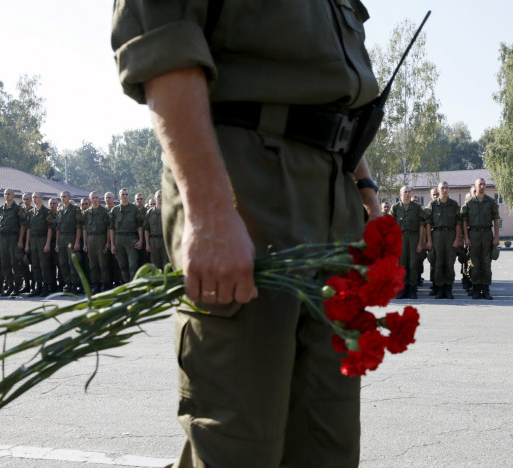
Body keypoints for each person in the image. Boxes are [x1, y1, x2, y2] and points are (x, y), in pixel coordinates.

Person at [112, 1, 382, 465]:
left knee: (327, 442)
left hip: (333, 191)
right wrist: (209, 211)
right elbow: (163, 44)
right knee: (239, 445)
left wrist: (363, 184)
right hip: (244, 185)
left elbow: (333, 94)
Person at [462, 178, 500, 300]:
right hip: (473, 234)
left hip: (487, 234)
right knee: (474, 263)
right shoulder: (469, 203)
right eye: (480, 184)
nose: (482, 186)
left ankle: (486, 289)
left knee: (486, 263)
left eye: (484, 184)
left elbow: (496, 220)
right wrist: (466, 237)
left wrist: (497, 237)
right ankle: (476, 289)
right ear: (475, 186)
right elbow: (464, 221)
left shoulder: (490, 202)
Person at [425, 182, 462, 299]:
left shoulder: (454, 204)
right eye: (442, 188)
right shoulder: (432, 204)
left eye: (446, 188)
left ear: (449, 189)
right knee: (438, 263)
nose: (444, 190)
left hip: (451, 235)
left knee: (450, 263)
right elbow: (428, 224)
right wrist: (429, 241)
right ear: (439, 190)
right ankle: (440, 289)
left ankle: (448, 289)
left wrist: (457, 239)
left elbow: (458, 223)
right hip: (437, 235)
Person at [389, 187, 425, 299]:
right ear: (400, 194)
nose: (407, 194)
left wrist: (420, 243)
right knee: (401, 264)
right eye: (405, 192)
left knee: (413, 264)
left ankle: (412, 289)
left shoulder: (417, 207)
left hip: (414, 236)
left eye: (409, 192)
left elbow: (422, 226)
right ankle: (402, 289)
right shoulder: (395, 208)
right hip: (400, 237)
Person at [0, 189, 28, 297]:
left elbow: (23, 225)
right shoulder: (1, 209)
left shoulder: (18, 208)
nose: (7, 195)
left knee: (15, 263)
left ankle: (17, 286)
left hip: (14, 238)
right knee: (5, 264)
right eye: (5, 194)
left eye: (9, 194)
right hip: (3, 238)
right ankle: (9, 285)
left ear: (13, 195)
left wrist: (20, 240)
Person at [109, 188, 143, 283]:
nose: (125, 196)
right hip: (118, 239)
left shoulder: (135, 209)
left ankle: (133, 284)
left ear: (129, 195)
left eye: (126, 194)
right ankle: (126, 284)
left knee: (133, 265)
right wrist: (112, 244)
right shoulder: (114, 210)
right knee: (122, 266)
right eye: (123, 194)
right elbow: (111, 228)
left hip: (131, 238)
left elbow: (140, 225)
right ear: (119, 196)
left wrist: (141, 240)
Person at [25, 192, 55, 297]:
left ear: (41, 198)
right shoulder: (31, 212)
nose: (34, 199)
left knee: (44, 265)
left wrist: (47, 244)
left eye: (36, 197)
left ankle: (46, 287)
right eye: (33, 197)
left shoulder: (46, 212)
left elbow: (50, 229)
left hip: (42, 239)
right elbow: (28, 229)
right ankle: (38, 286)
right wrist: (27, 244)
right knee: (35, 265)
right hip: (33, 240)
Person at [82, 192, 111, 293]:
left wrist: (108, 242)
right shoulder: (86, 213)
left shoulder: (105, 211)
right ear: (90, 199)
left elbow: (108, 228)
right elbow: (84, 229)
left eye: (96, 198)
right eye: (92, 198)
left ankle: (104, 283)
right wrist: (85, 243)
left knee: (103, 262)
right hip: (90, 238)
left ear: (99, 199)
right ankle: (96, 284)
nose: (94, 199)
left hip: (101, 238)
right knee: (92, 263)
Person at [56, 191, 84, 294]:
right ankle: (68, 283)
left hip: (71, 237)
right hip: (62, 237)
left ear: (69, 197)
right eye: (61, 197)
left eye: (65, 196)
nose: (63, 198)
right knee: (63, 263)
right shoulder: (60, 210)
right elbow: (58, 228)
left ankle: (74, 284)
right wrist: (57, 244)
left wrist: (77, 242)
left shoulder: (75, 210)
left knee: (72, 262)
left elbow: (78, 227)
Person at [144, 190, 169, 269]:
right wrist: (147, 244)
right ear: (155, 198)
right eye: (158, 196)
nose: (160, 198)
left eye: (162, 196)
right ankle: (157, 281)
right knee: (155, 263)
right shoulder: (149, 212)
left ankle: (166, 281)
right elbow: (146, 229)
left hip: (165, 240)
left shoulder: (169, 212)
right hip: (153, 241)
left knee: (166, 263)